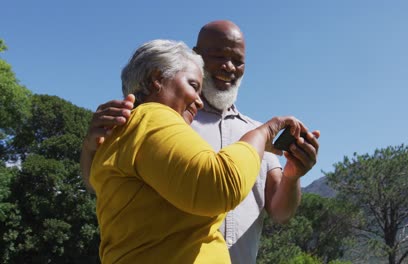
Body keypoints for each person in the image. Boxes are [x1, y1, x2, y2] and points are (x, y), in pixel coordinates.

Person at [81, 21, 320, 264]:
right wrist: (91, 147)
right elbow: (218, 186)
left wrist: (292, 175)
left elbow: (280, 213)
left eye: (238, 61)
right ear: (198, 56)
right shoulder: (161, 117)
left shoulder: (252, 130)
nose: (229, 67)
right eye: (218, 56)